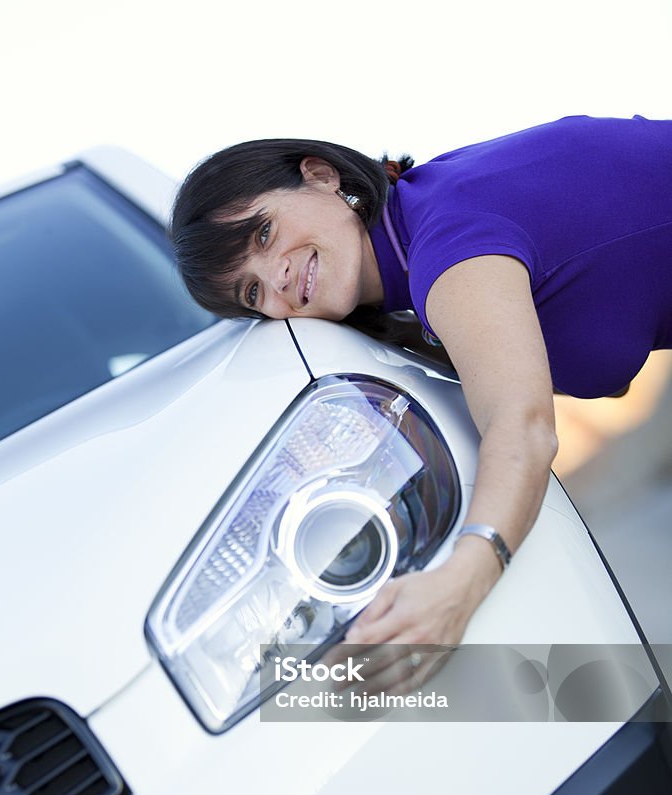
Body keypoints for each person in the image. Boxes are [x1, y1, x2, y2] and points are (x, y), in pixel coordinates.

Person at [170, 116, 672, 650]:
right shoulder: (421, 219)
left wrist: (463, 579)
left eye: (264, 233)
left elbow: (522, 428)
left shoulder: (445, 242)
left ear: (321, 176)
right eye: (251, 293)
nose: (277, 280)